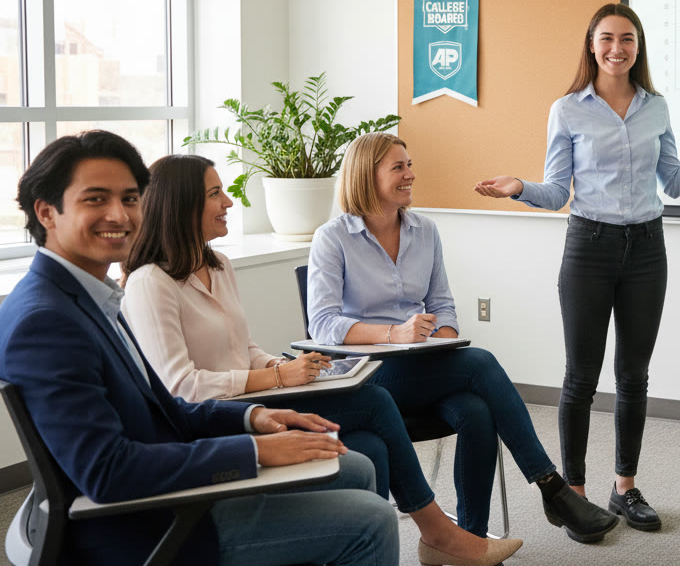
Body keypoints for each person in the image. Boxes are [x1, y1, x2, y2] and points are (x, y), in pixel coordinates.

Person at [0, 130, 397, 566]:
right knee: (372, 519)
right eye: (95, 199)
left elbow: (164, 408)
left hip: (170, 483)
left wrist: (253, 417)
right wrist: (255, 450)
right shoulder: (47, 321)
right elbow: (107, 471)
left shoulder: (89, 296)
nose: (119, 214)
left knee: (356, 466)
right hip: (147, 524)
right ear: (46, 212)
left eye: (130, 199)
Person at [121, 154, 521, 566]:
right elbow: (180, 387)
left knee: (371, 446)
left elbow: (244, 349)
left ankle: (377, 546)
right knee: (384, 398)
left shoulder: (217, 265)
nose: (228, 202)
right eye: (215, 193)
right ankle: (441, 531)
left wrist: (286, 366)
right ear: (181, 204)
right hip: (223, 419)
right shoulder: (150, 283)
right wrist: (278, 377)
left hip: (259, 399)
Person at [473, 1, 680, 530]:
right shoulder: (568, 109)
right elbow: (557, 192)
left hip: (647, 248)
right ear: (591, 46)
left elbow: (674, 182)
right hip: (589, 246)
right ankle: (574, 495)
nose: (617, 48)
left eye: (627, 39)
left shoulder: (656, 107)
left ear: (638, 47)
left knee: (634, 375)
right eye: (607, 38)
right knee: (580, 378)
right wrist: (519, 187)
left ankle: (624, 488)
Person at [307, 131, 620, 544]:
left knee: (476, 410)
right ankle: (551, 487)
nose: (410, 174)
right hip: (367, 375)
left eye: (409, 164)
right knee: (480, 363)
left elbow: (442, 304)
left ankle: (470, 541)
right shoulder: (332, 238)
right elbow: (323, 324)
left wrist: (443, 339)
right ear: (367, 175)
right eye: (398, 167)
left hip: (422, 367)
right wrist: (394, 334)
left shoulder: (425, 231)